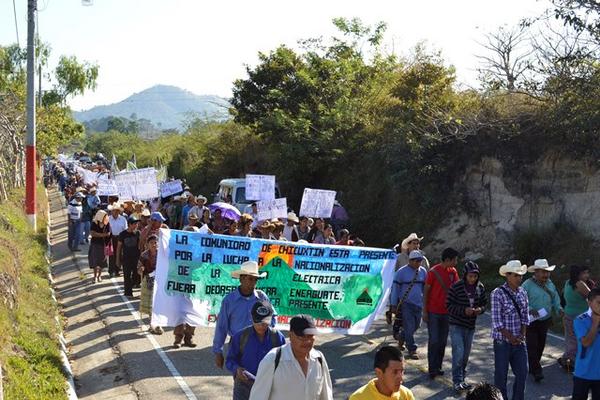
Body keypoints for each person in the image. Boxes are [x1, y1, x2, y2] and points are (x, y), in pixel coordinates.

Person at [249, 314, 333, 400]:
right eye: (302, 337)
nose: (307, 341)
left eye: (310, 336)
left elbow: (326, 396)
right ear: (290, 335)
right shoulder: (273, 360)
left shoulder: (319, 359)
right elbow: (257, 397)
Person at [212, 261, 274, 370]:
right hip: (238, 344)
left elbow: (272, 319)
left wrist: (269, 337)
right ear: (241, 279)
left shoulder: (262, 297)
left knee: (261, 377)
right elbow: (222, 326)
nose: (253, 282)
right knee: (241, 377)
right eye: (250, 279)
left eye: (255, 279)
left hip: (260, 343)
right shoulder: (229, 300)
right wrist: (218, 351)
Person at [226, 301, 286, 400]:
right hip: (244, 385)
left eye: (264, 322)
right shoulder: (240, 337)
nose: (261, 326)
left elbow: (284, 363)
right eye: (257, 321)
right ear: (251, 318)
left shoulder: (278, 338)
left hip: (269, 386)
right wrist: (237, 369)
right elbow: (230, 360)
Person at [490, 260, 529, 400]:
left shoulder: (523, 292)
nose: (519, 278)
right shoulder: (497, 293)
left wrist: (522, 335)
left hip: (519, 341)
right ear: (507, 275)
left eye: (520, 275)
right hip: (503, 342)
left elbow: (525, 317)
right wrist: (511, 337)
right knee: (501, 375)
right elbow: (497, 322)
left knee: (523, 373)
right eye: (516, 275)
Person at [446, 261, 487, 392]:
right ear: (465, 275)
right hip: (456, 325)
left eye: (475, 276)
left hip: (470, 326)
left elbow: (484, 304)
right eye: (470, 276)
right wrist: (464, 310)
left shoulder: (480, 287)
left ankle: (462, 378)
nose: (472, 279)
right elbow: (448, 305)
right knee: (458, 352)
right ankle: (457, 381)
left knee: (465, 355)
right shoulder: (456, 287)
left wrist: (479, 309)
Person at [520, 259, 563, 382]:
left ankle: (533, 366)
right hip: (531, 320)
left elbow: (555, 298)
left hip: (545, 319)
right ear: (536, 272)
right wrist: (530, 308)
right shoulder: (527, 284)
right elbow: (521, 300)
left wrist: (558, 308)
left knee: (541, 345)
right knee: (532, 345)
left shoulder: (550, 284)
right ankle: (537, 370)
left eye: (547, 272)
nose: (546, 275)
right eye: (543, 272)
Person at [423, 247, 460, 378]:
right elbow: (426, 292)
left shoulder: (453, 272)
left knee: (442, 341)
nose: (456, 262)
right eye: (455, 259)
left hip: (447, 312)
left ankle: (438, 366)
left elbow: (457, 288)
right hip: (433, 312)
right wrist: (425, 311)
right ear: (448, 259)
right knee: (434, 340)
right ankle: (432, 368)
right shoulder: (433, 272)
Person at [389, 250, 428, 359]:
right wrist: (393, 304)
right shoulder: (401, 272)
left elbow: (425, 288)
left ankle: (402, 336)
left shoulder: (423, 272)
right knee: (409, 326)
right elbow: (395, 289)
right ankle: (412, 349)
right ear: (410, 260)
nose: (418, 263)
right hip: (406, 304)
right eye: (416, 261)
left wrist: (426, 302)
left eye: (420, 260)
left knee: (416, 325)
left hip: (418, 304)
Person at [559, 265, 596, 370]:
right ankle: (574, 362)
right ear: (578, 274)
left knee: (571, 339)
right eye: (584, 273)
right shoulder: (580, 284)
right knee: (582, 339)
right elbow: (593, 298)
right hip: (581, 318)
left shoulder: (567, 283)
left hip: (568, 315)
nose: (587, 275)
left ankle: (568, 359)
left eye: (587, 273)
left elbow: (563, 297)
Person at [349, 345, 415, 400]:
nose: (401, 378)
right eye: (395, 372)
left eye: (402, 371)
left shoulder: (406, 395)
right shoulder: (358, 398)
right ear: (379, 373)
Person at [571, 287, 600, 400]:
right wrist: (595, 323)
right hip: (583, 373)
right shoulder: (580, 320)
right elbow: (586, 343)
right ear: (589, 302)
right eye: (599, 302)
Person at [137, 234, 163, 335]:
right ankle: (153, 325)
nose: (154, 244)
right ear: (147, 244)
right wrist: (141, 269)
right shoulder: (144, 255)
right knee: (150, 304)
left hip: (159, 282)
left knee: (158, 304)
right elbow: (139, 268)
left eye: (155, 242)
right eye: (151, 243)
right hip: (148, 281)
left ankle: (157, 325)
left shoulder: (162, 254)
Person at [116, 215, 141, 298]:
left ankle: (131, 286)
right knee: (127, 276)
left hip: (136, 258)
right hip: (126, 259)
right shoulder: (122, 234)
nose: (136, 225)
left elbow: (140, 246)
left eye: (137, 224)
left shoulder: (138, 233)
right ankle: (128, 293)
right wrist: (117, 260)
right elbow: (119, 248)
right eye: (134, 224)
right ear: (129, 224)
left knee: (136, 276)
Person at [89, 210, 111, 283]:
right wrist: (102, 235)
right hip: (95, 244)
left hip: (103, 244)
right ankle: (95, 276)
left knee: (102, 260)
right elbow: (92, 233)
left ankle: (99, 276)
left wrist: (99, 235)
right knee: (95, 260)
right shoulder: (94, 223)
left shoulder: (107, 223)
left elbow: (108, 233)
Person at [108, 203, 128, 277]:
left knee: (119, 254)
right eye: (114, 210)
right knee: (111, 255)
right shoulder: (108, 218)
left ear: (119, 211)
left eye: (117, 210)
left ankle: (117, 270)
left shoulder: (123, 219)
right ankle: (111, 271)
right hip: (111, 237)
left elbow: (125, 230)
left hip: (120, 238)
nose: (115, 212)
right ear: (111, 211)